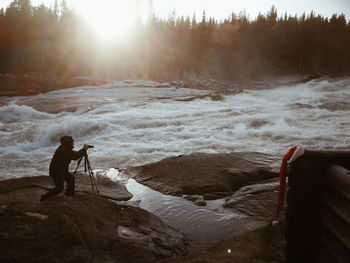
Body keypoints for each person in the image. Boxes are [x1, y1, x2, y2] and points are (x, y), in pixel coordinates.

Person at [40, 136, 89, 201]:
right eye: (72, 141)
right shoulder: (64, 150)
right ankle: (44, 197)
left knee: (71, 178)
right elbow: (75, 156)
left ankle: (69, 194)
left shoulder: (64, 148)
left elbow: (74, 154)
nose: (73, 142)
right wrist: (84, 150)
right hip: (56, 172)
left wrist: (83, 150)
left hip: (61, 171)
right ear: (68, 142)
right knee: (60, 188)